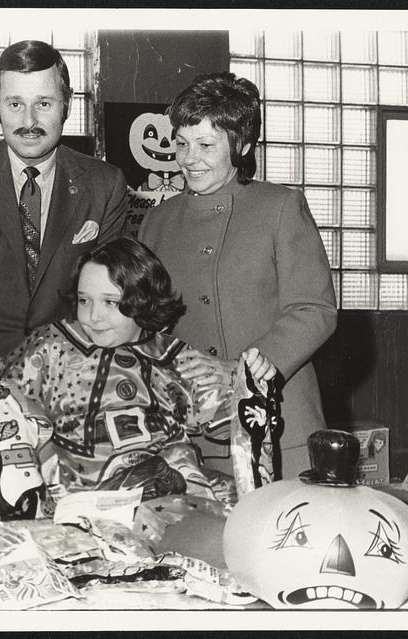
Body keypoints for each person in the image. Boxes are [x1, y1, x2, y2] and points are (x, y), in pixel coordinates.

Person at [137, 71, 337, 479]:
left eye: (206, 145)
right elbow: (149, 325)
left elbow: (314, 310)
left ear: (242, 145)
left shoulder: (280, 207)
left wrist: (244, 370)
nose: (189, 159)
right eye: (182, 143)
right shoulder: (155, 223)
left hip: (280, 429)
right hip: (191, 435)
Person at [0, 237, 276, 501]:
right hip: (71, 496)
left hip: (171, 497)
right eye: (84, 300)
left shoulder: (175, 359)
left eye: (110, 302)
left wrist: (247, 381)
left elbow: (235, 427)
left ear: (142, 300)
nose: (94, 316)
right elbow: (2, 408)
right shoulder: (50, 346)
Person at [0, 40, 127, 393]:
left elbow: (110, 287)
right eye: (15, 104)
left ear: (66, 106)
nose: (29, 122)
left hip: (73, 373)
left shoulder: (105, 183)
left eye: (44, 104)